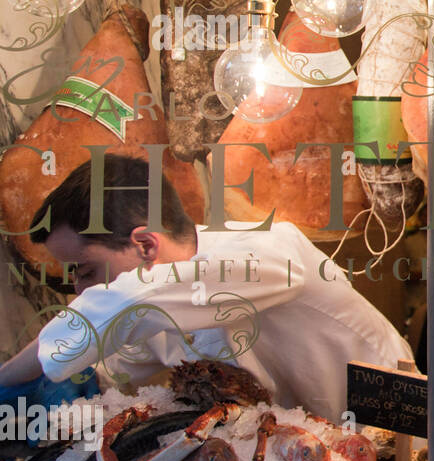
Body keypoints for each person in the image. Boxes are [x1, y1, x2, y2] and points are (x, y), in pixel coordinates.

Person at [0, 156, 412, 422]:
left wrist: (11, 375)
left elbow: (127, 305)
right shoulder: (154, 305)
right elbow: (118, 364)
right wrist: (80, 386)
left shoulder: (267, 251)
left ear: (145, 244)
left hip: (395, 438)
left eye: (85, 270)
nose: (79, 289)